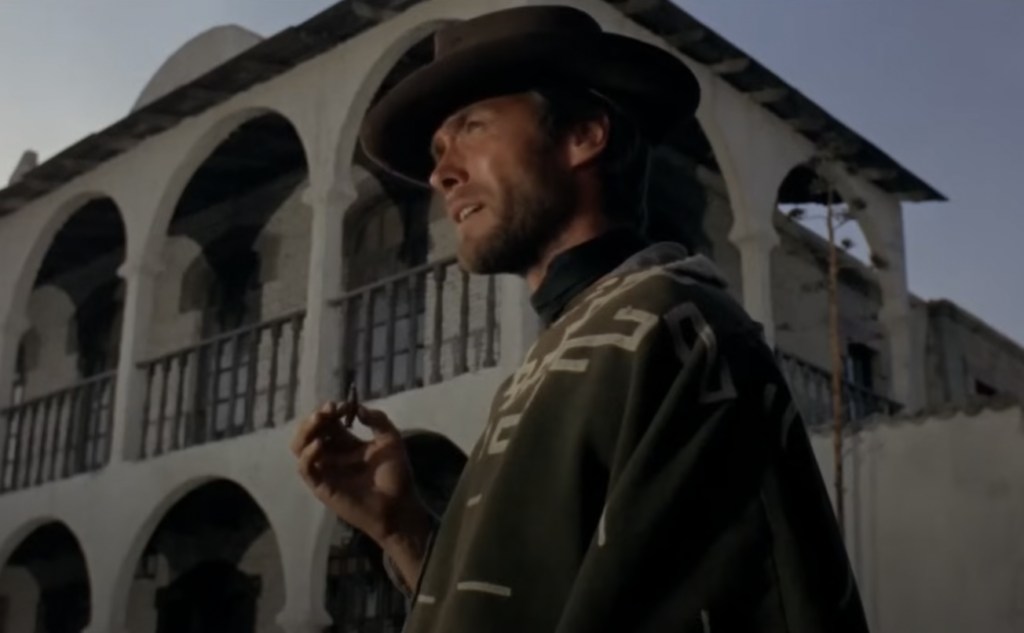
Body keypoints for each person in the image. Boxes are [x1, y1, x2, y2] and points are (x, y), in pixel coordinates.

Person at [290, 5, 870, 633]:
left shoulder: (674, 334)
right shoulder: (564, 356)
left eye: (473, 127)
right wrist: (398, 526)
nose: (441, 173)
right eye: (437, 150)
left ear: (584, 136)